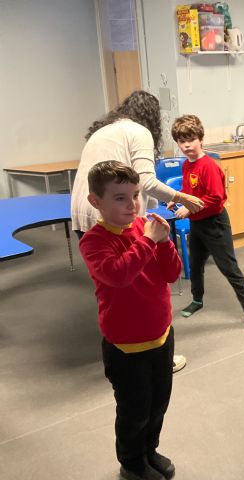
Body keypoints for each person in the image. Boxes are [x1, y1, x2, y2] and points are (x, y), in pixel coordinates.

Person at [71, 90, 201, 372]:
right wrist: (181, 197)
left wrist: (157, 236)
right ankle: (137, 353)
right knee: (127, 281)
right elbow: (145, 181)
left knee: (117, 287)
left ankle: (139, 347)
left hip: (87, 209)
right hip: (106, 209)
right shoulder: (139, 131)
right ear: (151, 117)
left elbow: (134, 187)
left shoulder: (105, 130)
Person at [79, 161, 181, 480]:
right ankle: (132, 462)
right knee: (134, 411)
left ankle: (149, 451)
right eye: (120, 198)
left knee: (158, 404)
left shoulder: (144, 228)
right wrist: (149, 241)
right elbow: (119, 274)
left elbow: (171, 274)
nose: (132, 204)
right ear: (96, 201)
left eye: (135, 195)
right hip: (126, 347)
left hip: (161, 336)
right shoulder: (94, 242)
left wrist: (164, 243)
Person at [169, 114, 244, 334]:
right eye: (182, 141)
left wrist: (188, 207)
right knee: (195, 264)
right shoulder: (187, 165)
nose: (186, 145)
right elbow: (189, 189)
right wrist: (177, 197)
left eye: (191, 139)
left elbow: (215, 198)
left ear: (201, 139)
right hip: (197, 224)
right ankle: (197, 300)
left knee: (229, 268)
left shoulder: (208, 166)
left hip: (215, 224)